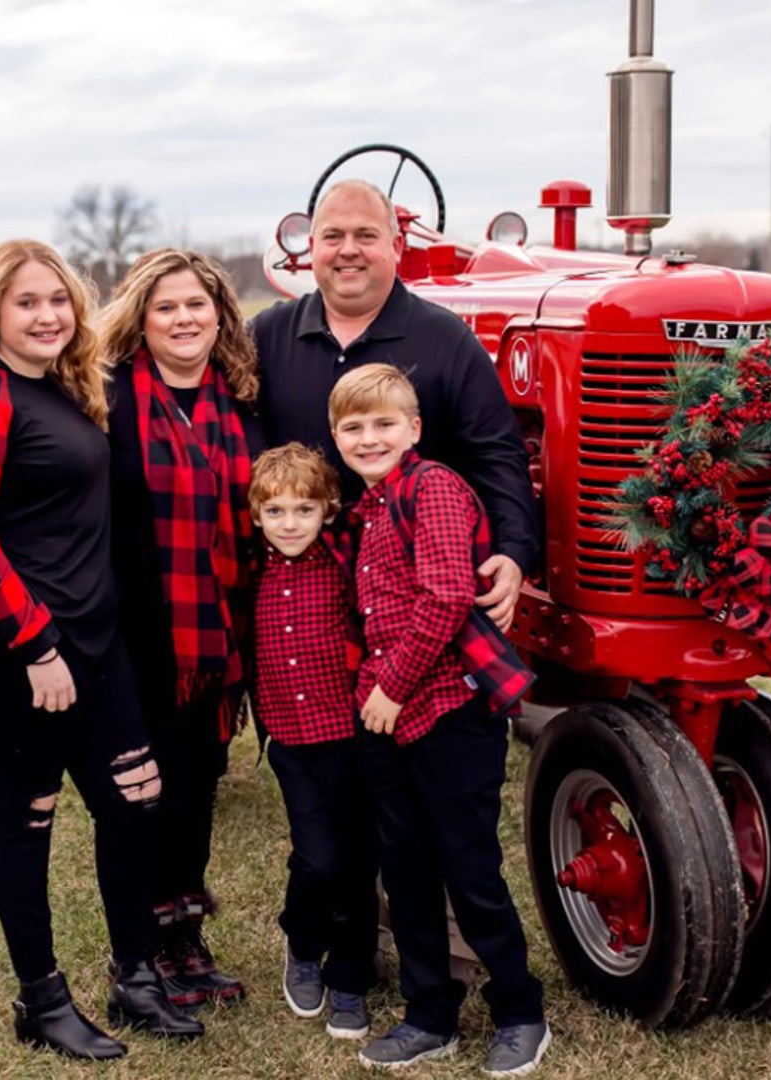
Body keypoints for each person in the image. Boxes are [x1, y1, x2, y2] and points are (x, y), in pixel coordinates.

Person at [0, 239, 202, 1061]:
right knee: (27, 816)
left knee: (136, 797)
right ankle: (41, 1001)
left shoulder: (67, 387)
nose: (47, 315)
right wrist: (36, 645)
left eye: (58, 300)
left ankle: (135, 974)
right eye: (26, 301)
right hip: (18, 646)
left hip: (93, 634)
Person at [328, 364, 549, 1076]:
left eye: (384, 423)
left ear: (414, 428)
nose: (369, 438)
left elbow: (448, 596)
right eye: (353, 427)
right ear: (336, 437)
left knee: (469, 870)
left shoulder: (437, 490)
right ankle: (430, 1013)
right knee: (408, 872)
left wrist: (391, 685)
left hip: (448, 712)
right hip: (384, 719)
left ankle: (520, 1010)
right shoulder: (366, 508)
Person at [248, 179, 539, 631]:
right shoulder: (266, 337)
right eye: (333, 236)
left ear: (396, 245)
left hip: (416, 602)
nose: (349, 250)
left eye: (366, 236)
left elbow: (496, 453)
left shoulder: (447, 340)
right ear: (310, 248)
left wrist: (514, 551)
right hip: (300, 600)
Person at [100, 247, 264, 1009]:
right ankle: (137, 951)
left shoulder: (241, 402)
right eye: (165, 307)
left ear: (219, 314)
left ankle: (184, 939)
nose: (183, 318)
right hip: (136, 636)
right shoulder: (106, 400)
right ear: (141, 318)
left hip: (219, 641)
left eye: (196, 305)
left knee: (199, 791)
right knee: (145, 796)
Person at [246, 442, 379, 1041]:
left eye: (303, 509)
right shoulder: (252, 573)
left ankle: (350, 977)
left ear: (328, 509)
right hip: (291, 744)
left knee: (358, 860)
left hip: (350, 738)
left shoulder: (345, 566)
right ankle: (302, 944)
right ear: (256, 516)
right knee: (318, 856)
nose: (290, 524)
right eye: (275, 512)